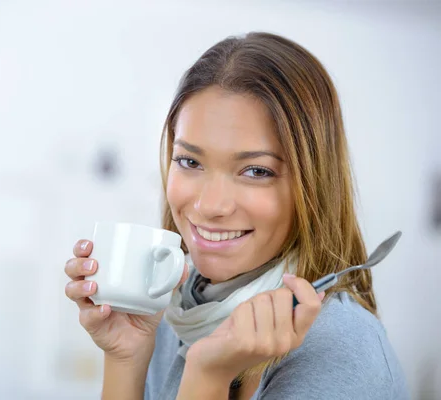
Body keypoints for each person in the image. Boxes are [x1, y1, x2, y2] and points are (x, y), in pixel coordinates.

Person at [63, 32, 409, 399]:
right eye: (189, 161)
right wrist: (125, 358)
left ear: (314, 186)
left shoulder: (342, 356)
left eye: (256, 171)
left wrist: (207, 375)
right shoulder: (178, 311)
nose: (211, 205)